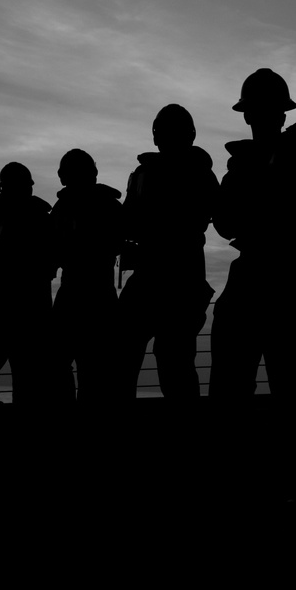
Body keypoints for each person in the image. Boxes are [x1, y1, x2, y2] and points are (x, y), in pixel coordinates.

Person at [210, 69, 296, 402]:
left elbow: (228, 224)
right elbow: (226, 223)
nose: (256, 118)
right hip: (270, 282)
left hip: (287, 281)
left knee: (286, 383)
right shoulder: (247, 167)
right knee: (265, 383)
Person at [118, 104, 219, 401]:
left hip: (180, 278)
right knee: (128, 354)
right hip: (152, 275)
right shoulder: (142, 175)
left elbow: (218, 214)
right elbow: (126, 221)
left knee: (173, 362)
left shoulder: (197, 172)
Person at [0, 162, 55, 405]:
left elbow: (2, 258)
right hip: (14, 304)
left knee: (7, 374)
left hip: (27, 306)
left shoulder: (38, 219)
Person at [49, 149, 124, 403]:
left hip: (86, 292)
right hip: (91, 293)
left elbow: (52, 250)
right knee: (87, 368)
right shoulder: (105, 205)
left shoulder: (66, 207)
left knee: (72, 364)